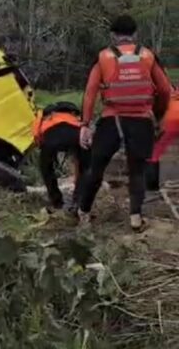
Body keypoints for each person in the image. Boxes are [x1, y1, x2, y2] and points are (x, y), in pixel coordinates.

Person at [76, 15, 173, 231]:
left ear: (113, 35)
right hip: (141, 120)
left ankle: (83, 212)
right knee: (137, 170)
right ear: (135, 34)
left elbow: (90, 93)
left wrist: (85, 124)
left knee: (96, 168)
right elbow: (166, 90)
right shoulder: (148, 55)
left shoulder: (103, 57)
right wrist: (157, 115)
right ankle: (136, 218)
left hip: (112, 119)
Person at [33, 102, 90, 213]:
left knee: (46, 168)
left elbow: (36, 135)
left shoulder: (43, 115)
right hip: (75, 136)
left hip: (51, 138)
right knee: (85, 167)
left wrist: (44, 149)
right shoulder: (75, 116)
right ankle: (78, 200)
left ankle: (56, 201)